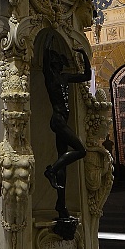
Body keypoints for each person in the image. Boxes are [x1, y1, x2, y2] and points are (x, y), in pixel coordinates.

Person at [42, 40, 92, 238]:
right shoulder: (51, 78)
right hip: (58, 121)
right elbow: (44, 61)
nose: (60, 63)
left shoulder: (64, 78)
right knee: (81, 150)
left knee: (64, 165)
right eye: (57, 61)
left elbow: (87, 76)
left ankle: (60, 205)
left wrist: (83, 56)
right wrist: (47, 42)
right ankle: (51, 170)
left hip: (63, 121)